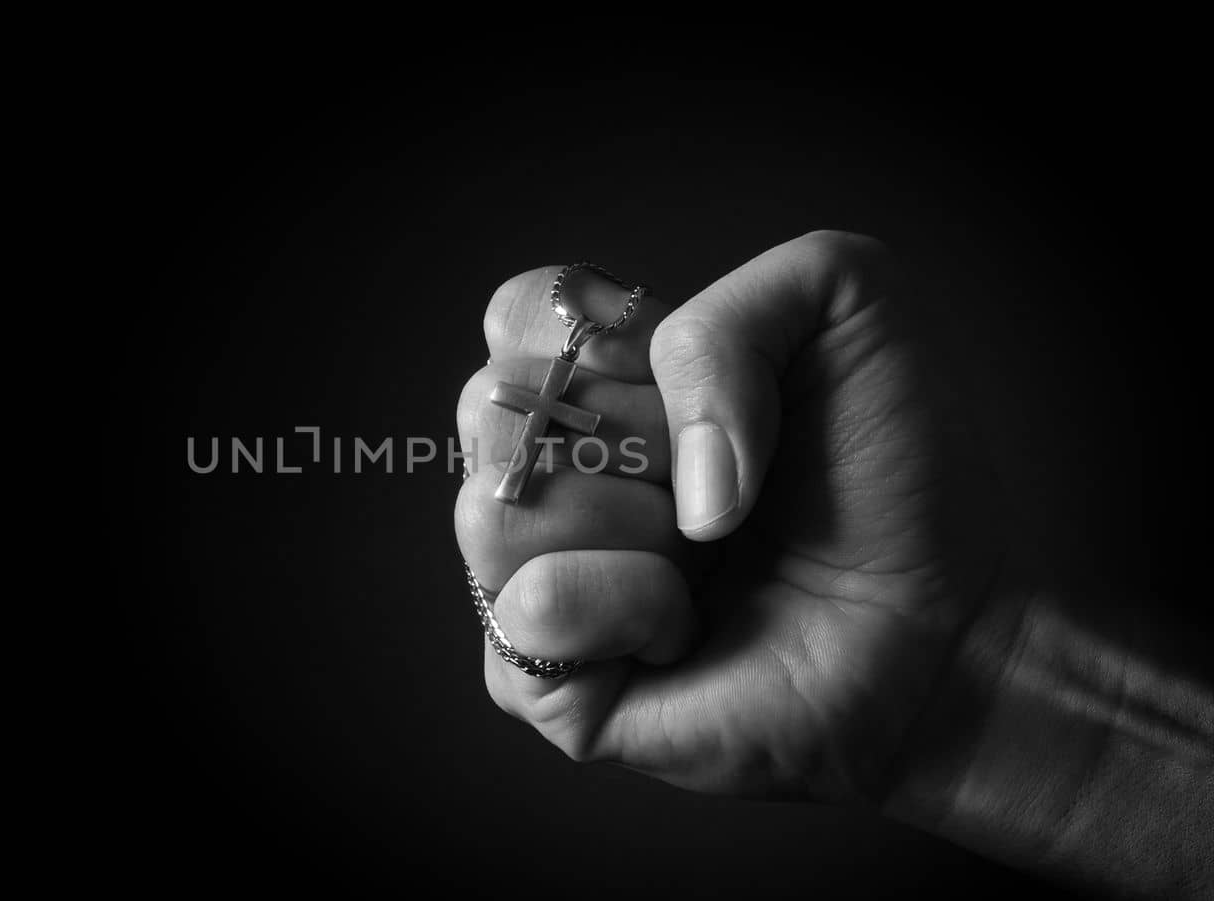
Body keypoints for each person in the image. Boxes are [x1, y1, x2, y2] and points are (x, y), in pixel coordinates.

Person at [453, 232, 1211, 899]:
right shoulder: (546, 399)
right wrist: (985, 701)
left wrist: (975, 667)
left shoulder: (563, 397)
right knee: (509, 499)